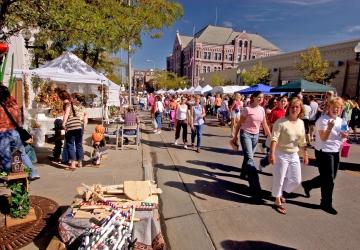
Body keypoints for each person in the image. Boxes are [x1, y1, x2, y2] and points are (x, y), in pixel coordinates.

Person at [301, 97, 348, 215]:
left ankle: (308, 184)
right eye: (334, 107)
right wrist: (329, 128)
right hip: (323, 151)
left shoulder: (342, 121)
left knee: (329, 178)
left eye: (339, 107)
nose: (336, 109)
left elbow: (344, 135)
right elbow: (323, 138)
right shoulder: (322, 120)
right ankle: (326, 203)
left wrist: (344, 135)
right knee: (329, 179)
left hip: (335, 151)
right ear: (329, 107)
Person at [269, 97, 308, 214]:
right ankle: (277, 200)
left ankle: (279, 191)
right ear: (289, 108)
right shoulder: (281, 122)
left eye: (297, 107)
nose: (295, 109)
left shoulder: (301, 122)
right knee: (279, 178)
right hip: (281, 153)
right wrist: (272, 154)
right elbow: (274, 139)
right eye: (292, 106)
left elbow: (302, 140)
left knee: (296, 180)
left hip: (294, 153)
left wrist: (305, 154)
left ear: (300, 109)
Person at [230, 91, 271, 197]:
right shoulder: (247, 109)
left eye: (262, 98)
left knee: (249, 156)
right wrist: (235, 137)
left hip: (255, 135)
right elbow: (239, 123)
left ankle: (243, 173)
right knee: (250, 159)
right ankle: (255, 186)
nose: (261, 99)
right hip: (246, 134)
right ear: (253, 98)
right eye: (259, 97)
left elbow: (264, 124)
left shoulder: (262, 109)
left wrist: (271, 137)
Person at [0, 85, 40, 180]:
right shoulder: (13, 103)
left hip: (3, 134)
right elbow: (19, 118)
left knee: (5, 155)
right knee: (22, 153)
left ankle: (13, 176)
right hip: (15, 132)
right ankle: (33, 173)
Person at [259, 95, 288, 171]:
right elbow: (269, 123)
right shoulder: (275, 111)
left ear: (287, 103)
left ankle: (280, 170)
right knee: (274, 154)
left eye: (285, 101)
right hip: (275, 136)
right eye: (282, 101)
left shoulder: (288, 112)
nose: (283, 102)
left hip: (285, 137)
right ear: (278, 102)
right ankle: (263, 162)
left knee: (282, 154)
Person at [60, 90, 83, 170]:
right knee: (79, 144)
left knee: (70, 144)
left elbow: (66, 114)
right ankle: (80, 162)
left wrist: (63, 123)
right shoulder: (77, 105)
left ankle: (72, 164)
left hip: (71, 127)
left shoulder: (68, 105)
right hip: (78, 126)